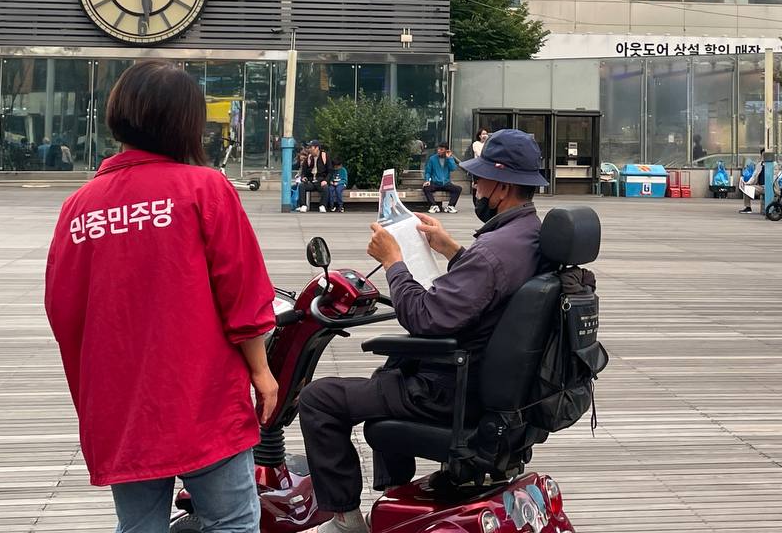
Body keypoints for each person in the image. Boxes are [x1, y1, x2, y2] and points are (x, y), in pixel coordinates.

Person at [44, 60, 277, 533]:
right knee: (232, 521)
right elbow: (243, 294)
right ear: (186, 122)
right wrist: (261, 371)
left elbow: (62, 311)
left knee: (138, 526)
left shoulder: (79, 207)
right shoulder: (205, 189)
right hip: (203, 396)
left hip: (120, 404)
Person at [298, 129, 547, 533]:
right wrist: (450, 249)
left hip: (449, 390)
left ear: (501, 186)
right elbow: (493, 286)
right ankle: (397, 499)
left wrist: (394, 262)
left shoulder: (493, 252)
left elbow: (424, 318)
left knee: (318, 399)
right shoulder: (528, 236)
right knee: (388, 375)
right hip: (493, 387)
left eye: (479, 179)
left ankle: (345, 521)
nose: (474, 187)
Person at [422, 142, 461, 213]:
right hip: (435, 183)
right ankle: (433, 206)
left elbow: (453, 168)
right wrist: (427, 180)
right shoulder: (432, 159)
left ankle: (450, 206)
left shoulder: (449, 158)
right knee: (426, 188)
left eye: (441, 149)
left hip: (446, 183)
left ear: (446, 150)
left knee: (458, 189)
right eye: (438, 149)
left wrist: (449, 158)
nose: (439, 151)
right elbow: (428, 172)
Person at [297, 141, 334, 213]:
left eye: (311, 147)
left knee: (325, 187)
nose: (310, 149)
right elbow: (303, 172)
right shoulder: (308, 158)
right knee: (301, 185)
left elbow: (330, 171)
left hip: (321, 181)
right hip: (311, 181)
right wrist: (303, 177)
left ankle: (323, 205)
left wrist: (326, 180)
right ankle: (303, 205)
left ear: (317, 148)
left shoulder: (325, 156)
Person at [738, 148, 765, 214]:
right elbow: (754, 176)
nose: (764, 156)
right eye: (763, 155)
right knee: (746, 188)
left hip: (769, 187)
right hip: (760, 187)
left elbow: (775, 177)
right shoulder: (759, 165)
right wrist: (747, 183)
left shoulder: (773, 164)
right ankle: (748, 207)